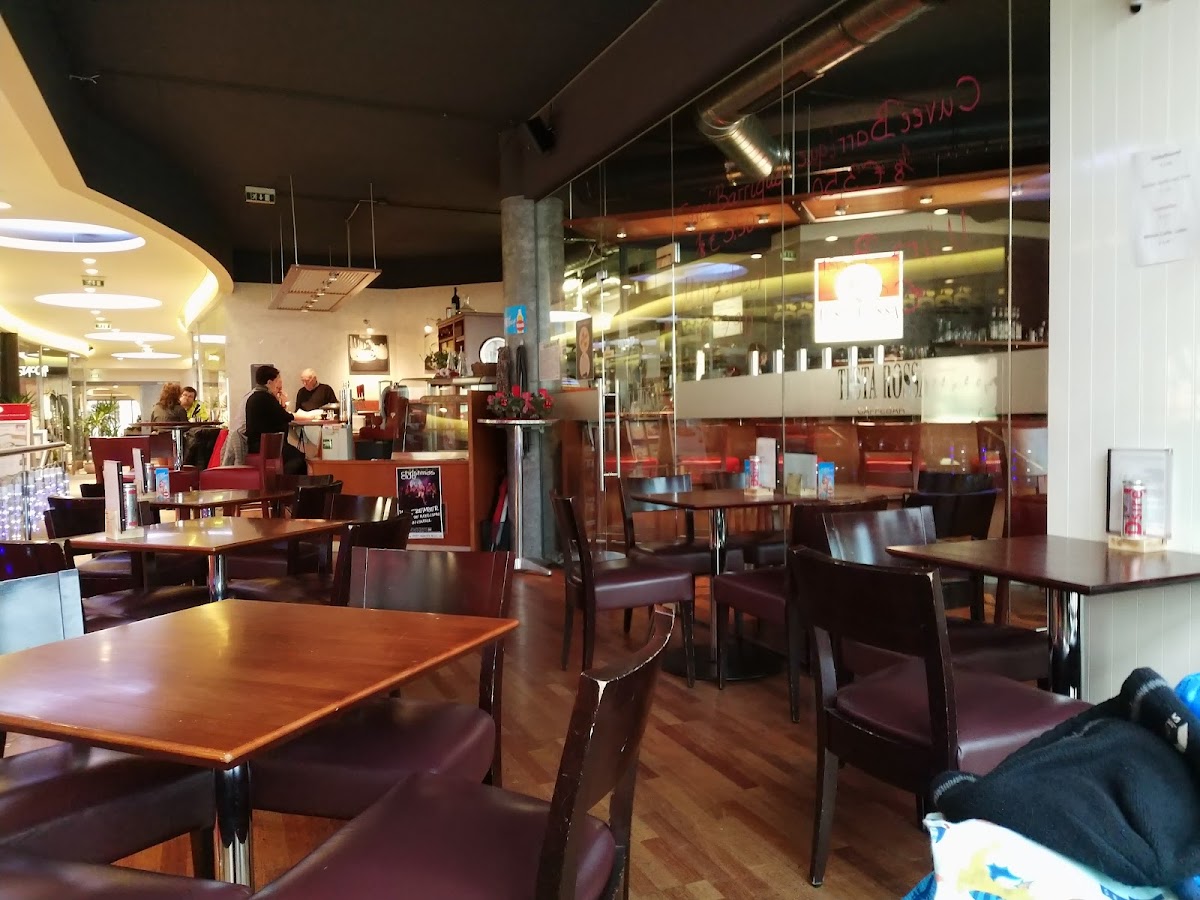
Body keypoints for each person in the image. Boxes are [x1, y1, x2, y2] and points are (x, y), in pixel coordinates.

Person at [244, 365, 306, 475]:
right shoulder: (265, 397)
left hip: (257, 444)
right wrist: (309, 416)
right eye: (277, 381)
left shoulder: (255, 397)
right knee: (298, 458)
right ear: (269, 382)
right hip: (266, 445)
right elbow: (285, 416)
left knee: (294, 455)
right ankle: (286, 483)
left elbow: (277, 415)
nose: (278, 384)